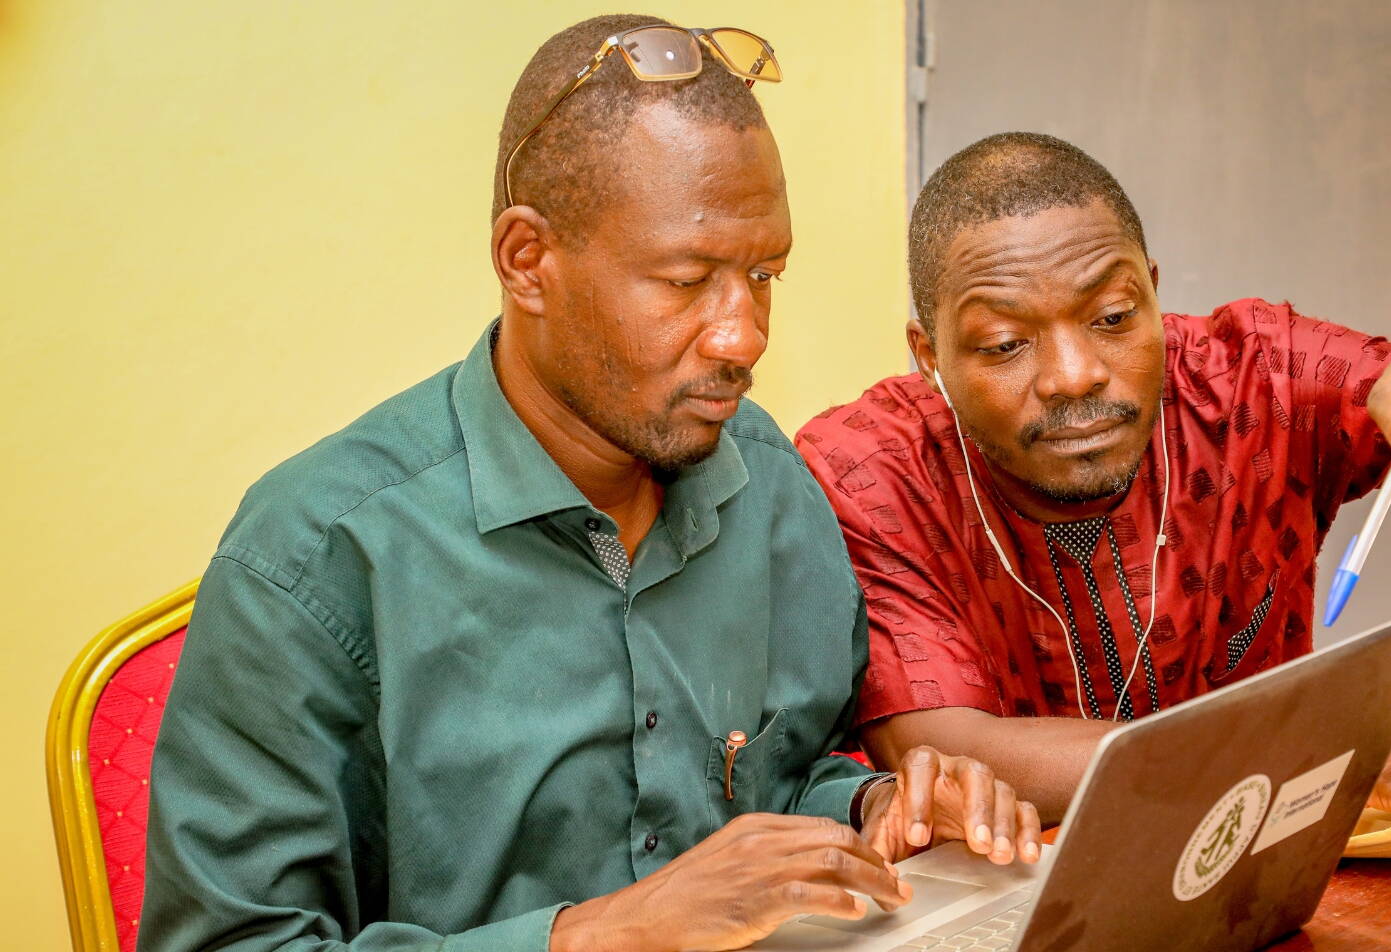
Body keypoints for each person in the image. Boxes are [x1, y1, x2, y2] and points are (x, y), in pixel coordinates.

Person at [140, 18, 1040, 952]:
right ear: (527, 261)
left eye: (763, 273)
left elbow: (785, 772)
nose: (744, 335)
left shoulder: (765, 481)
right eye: (687, 280)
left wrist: (871, 810)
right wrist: (604, 933)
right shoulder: (316, 557)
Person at [796, 132, 1391, 825]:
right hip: (1005, 898)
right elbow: (947, 753)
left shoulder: (1257, 380)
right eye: (1004, 345)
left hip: (1266, 875)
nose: (1073, 374)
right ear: (927, 355)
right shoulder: (867, 469)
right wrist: (1306, 747)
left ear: (1155, 298)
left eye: (1113, 317)